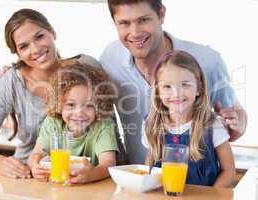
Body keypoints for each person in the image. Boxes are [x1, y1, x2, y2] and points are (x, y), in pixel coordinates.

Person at [100, 0, 247, 164]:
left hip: (197, 183)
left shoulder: (208, 61)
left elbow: (237, 114)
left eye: (143, 20)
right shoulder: (109, 58)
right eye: (124, 23)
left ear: (161, 14)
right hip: (138, 179)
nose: (135, 33)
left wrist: (236, 125)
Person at [0, 8, 100, 179]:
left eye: (39, 37)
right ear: (18, 54)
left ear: (52, 33)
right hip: (28, 177)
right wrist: (1, 163)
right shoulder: (11, 81)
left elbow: (108, 128)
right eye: (24, 46)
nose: (35, 49)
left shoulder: (87, 67)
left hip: (83, 178)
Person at [143, 50, 235, 187]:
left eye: (185, 85)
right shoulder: (151, 125)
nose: (177, 94)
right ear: (158, 92)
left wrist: (212, 196)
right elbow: (148, 170)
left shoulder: (212, 125)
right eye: (167, 86)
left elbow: (229, 171)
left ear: (199, 88)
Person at [28, 63, 119, 184]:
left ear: (99, 106)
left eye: (89, 106)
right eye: (71, 104)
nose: (79, 113)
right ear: (59, 104)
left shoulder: (103, 126)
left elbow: (108, 164)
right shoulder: (53, 122)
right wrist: (35, 165)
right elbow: (36, 153)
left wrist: (91, 175)